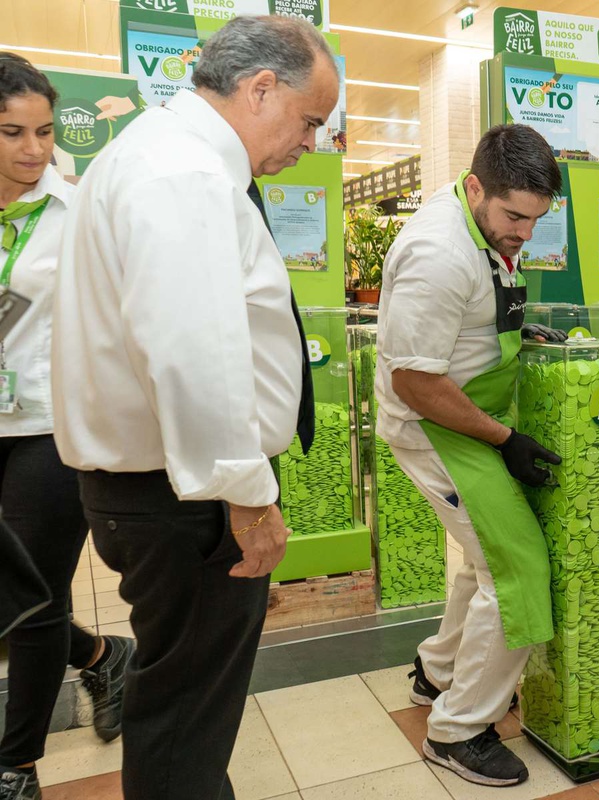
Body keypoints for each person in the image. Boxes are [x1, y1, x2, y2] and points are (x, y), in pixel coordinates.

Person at [52, 16, 337, 800]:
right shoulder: (181, 173)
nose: (310, 142)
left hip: (161, 491)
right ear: (259, 90)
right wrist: (247, 496)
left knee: (182, 702)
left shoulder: (156, 156)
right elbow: (189, 351)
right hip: (189, 500)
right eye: (310, 119)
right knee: (186, 716)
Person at [377, 124, 565, 787]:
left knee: (483, 558)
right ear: (476, 186)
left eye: (537, 219)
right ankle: (459, 731)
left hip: (468, 412)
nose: (525, 233)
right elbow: (416, 382)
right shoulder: (438, 253)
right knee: (516, 566)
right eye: (516, 216)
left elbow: (469, 322)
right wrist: (505, 441)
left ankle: (438, 672)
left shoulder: (485, 223)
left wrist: (517, 329)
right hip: (436, 424)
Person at [0, 54, 135, 800]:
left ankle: (15, 764)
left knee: (36, 596)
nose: (32, 149)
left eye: (44, 131)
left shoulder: (77, 209)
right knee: (11, 590)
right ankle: (101, 656)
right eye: (12, 132)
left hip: (50, 426)